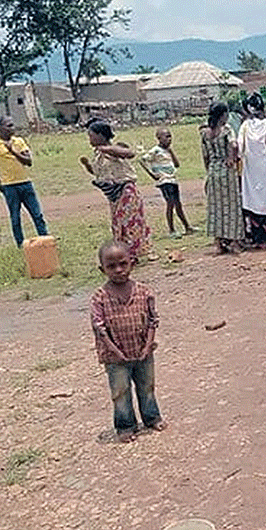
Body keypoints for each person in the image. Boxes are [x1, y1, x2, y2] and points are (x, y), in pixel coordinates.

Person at [90, 240, 166, 443]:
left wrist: (149, 344)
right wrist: (114, 350)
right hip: (115, 357)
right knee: (120, 392)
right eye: (111, 266)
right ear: (102, 269)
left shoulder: (144, 292)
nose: (118, 270)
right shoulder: (100, 297)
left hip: (143, 352)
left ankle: (152, 418)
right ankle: (125, 426)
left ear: (132, 262)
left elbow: (152, 320)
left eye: (123, 263)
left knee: (147, 386)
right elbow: (99, 328)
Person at [80, 120, 153, 261]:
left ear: (101, 135)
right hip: (113, 194)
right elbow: (98, 173)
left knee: (129, 223)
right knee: (118, 225)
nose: (89, 139)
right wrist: (87, 165)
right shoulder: (98, 154)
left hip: (126, 191)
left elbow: (130, 153)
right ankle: (126, 255)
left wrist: (106, 149)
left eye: (91, 135)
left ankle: (132, 254)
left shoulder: (113, 149)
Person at [0, 116, 49, 247]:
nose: (13, 128)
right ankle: (20, 245)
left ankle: (45, 241)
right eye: (9, 125)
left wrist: (12, 151)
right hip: (9, 186)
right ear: (0, 128)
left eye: (12, 125)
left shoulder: (19, 142)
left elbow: (28, 162)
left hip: (25, 183)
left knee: (37, 215)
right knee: (15, 218)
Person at [237, 92, 266, 249]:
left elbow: (239, 149)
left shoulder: (245, 127)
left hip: (252, 173)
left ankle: (259, 237)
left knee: (253, 201)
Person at [201, 102, 245, 254]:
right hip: (227, 171)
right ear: (224, 114)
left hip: (213, 170)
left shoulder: (205, 133)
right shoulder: (226, 130)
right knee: (232, 206)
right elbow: (233, 145)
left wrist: (209, 170)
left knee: (216, 207)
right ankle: (233, 241)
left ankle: (219, 242)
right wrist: (231, 158)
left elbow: (205, 155)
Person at [139, 127, 191, 239]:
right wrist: (152, 174)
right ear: (158, 138)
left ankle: (187, 227)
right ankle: (172, 230)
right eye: (166, 136)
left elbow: (177, 165)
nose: (169, 139)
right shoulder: (155, 151)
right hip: (164, 181)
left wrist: (171, 151)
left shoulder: (167, 151)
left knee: (178, 204)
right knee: (170, 204)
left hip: (172, 180)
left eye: (170, 136)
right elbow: (142, 160)